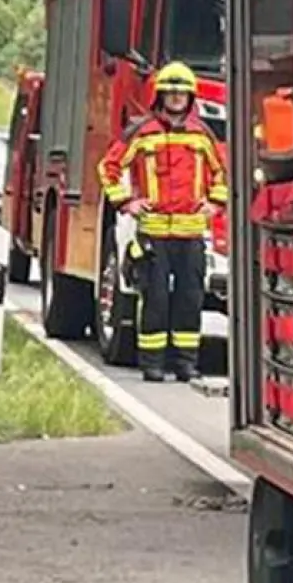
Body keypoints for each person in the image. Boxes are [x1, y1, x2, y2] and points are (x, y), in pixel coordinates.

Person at [97, 61, 228, 383]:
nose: (176, 98)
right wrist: (126, 202)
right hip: (153, 234)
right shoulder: (142, 132)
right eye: (171, 93)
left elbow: (223, 171)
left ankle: (185, 364)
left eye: (182, 93)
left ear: (190, 97)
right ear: (160, 96)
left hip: (191, 234)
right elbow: (108, 167)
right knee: (154, 301)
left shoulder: (201, 134)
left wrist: (216, 203)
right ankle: (152, 363)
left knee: (190, 301)